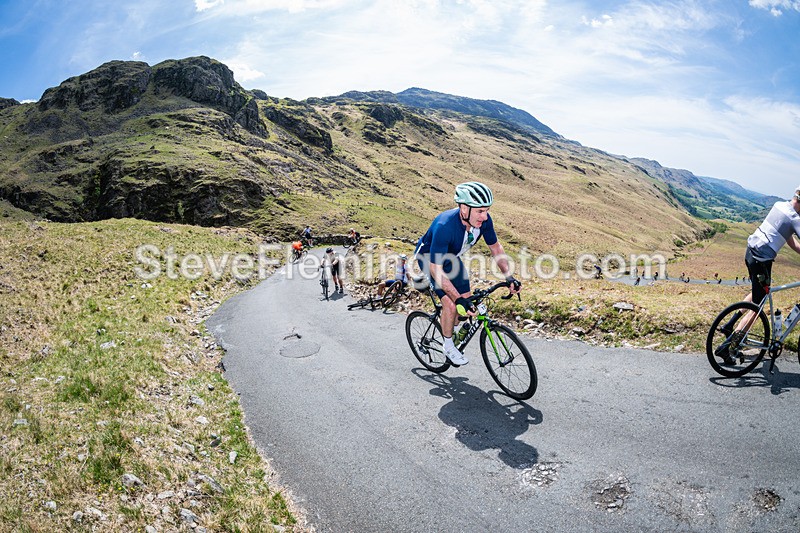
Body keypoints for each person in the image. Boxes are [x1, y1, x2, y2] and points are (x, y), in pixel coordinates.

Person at [414, 181, 521, 366]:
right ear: (464, 208)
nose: (485, 216)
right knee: (451, 303)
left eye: (486, 210)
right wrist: (456, 299)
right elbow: (435, 268)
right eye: (480, 211)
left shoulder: (484, 222)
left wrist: (509, 277)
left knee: (467, 303)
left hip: (452, 258)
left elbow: (495, 248)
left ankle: (452, 329)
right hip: (430, 261)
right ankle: (448, 346)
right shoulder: (444, 225)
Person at [716, 185, 800, 362]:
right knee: (758, 306)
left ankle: (730, 325)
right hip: (762, 260)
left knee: (757, 294)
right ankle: (729, 346)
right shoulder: (795, 219)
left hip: (750, 252)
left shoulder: (779, 205)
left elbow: (790, 240)